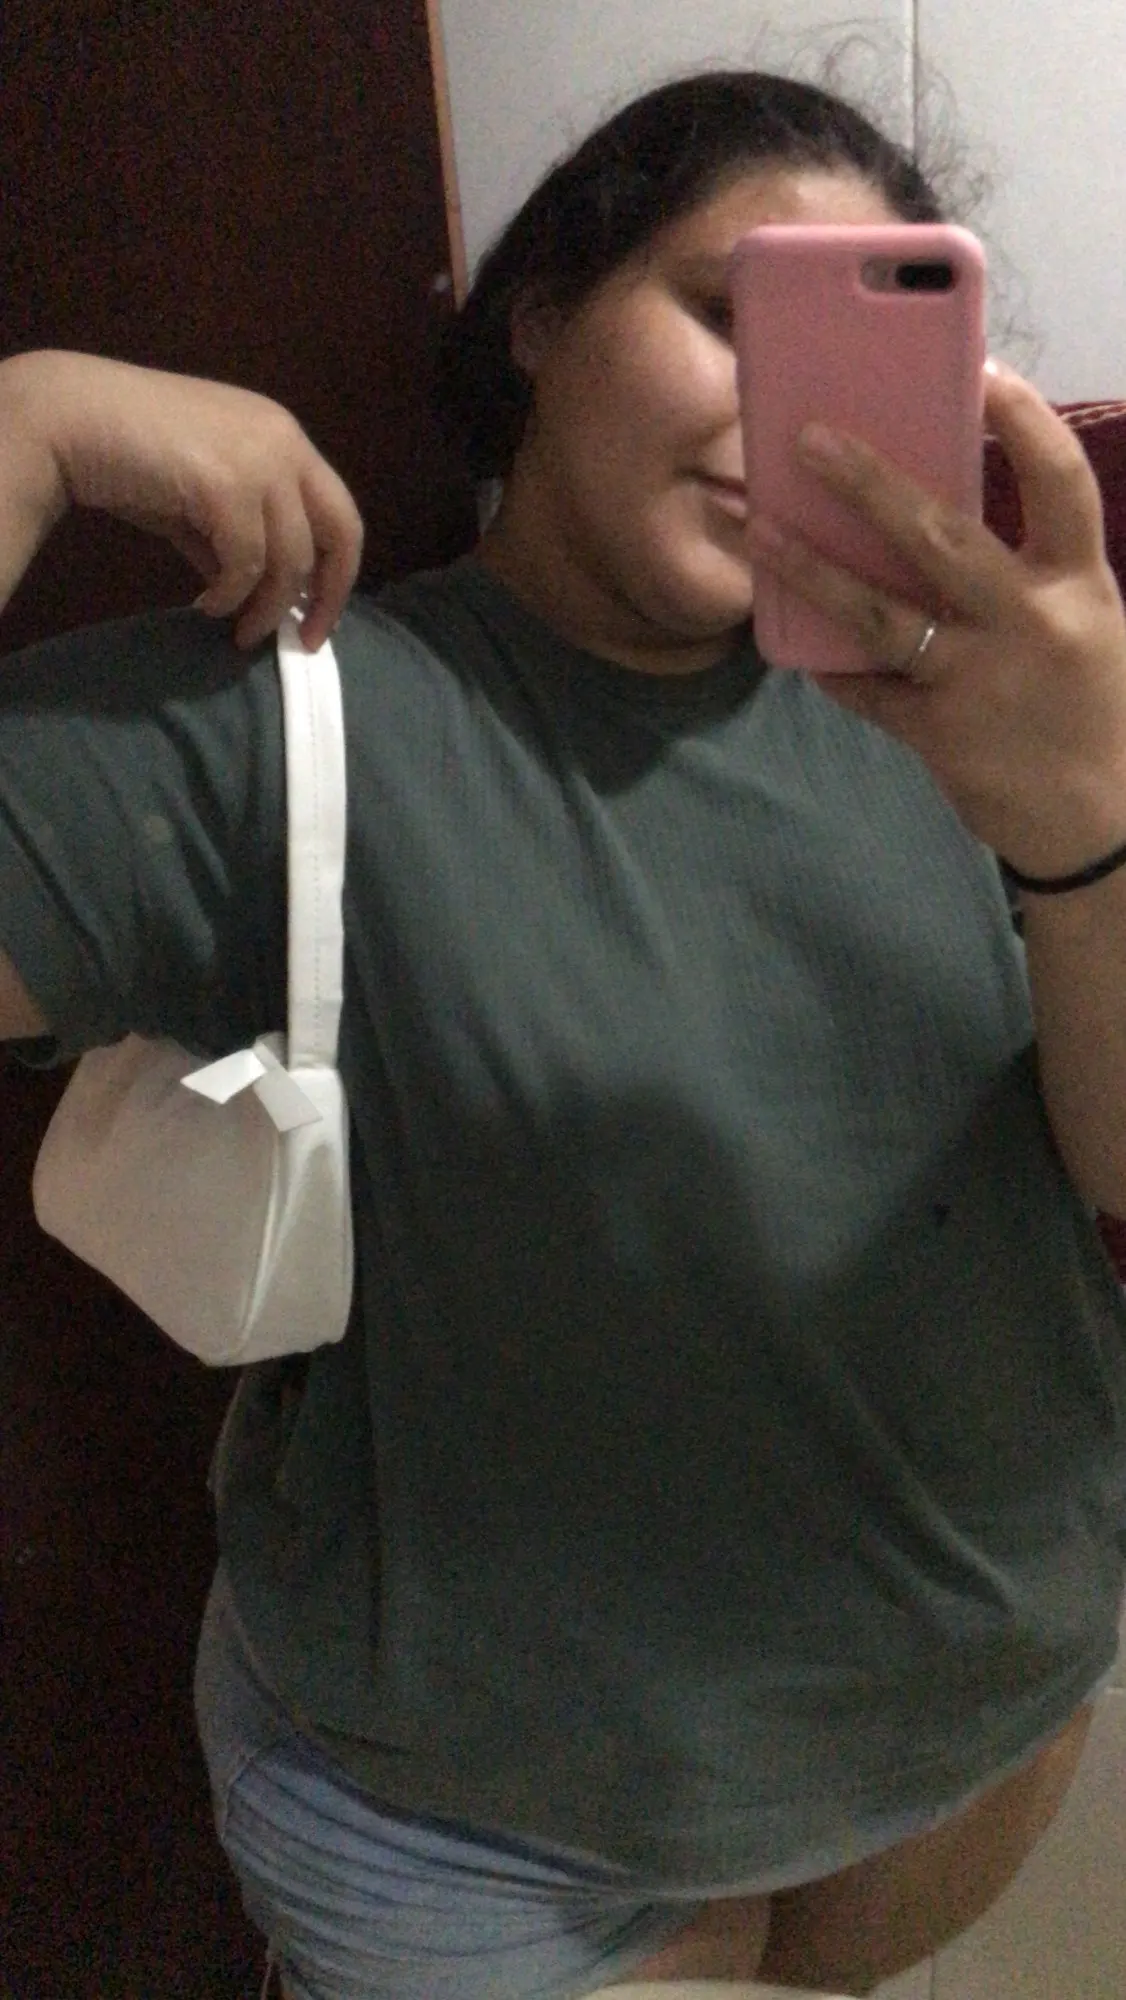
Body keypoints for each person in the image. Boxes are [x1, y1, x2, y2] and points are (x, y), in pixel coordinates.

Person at [2, 66, 1126, 2000]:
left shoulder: (990, 715)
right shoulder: (289, 725)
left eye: (857, 360)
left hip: (981, 1722)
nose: (790, 415)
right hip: (479, 1834)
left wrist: (1085, 839)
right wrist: (18, 426)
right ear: (537, 315)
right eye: (727, 315)